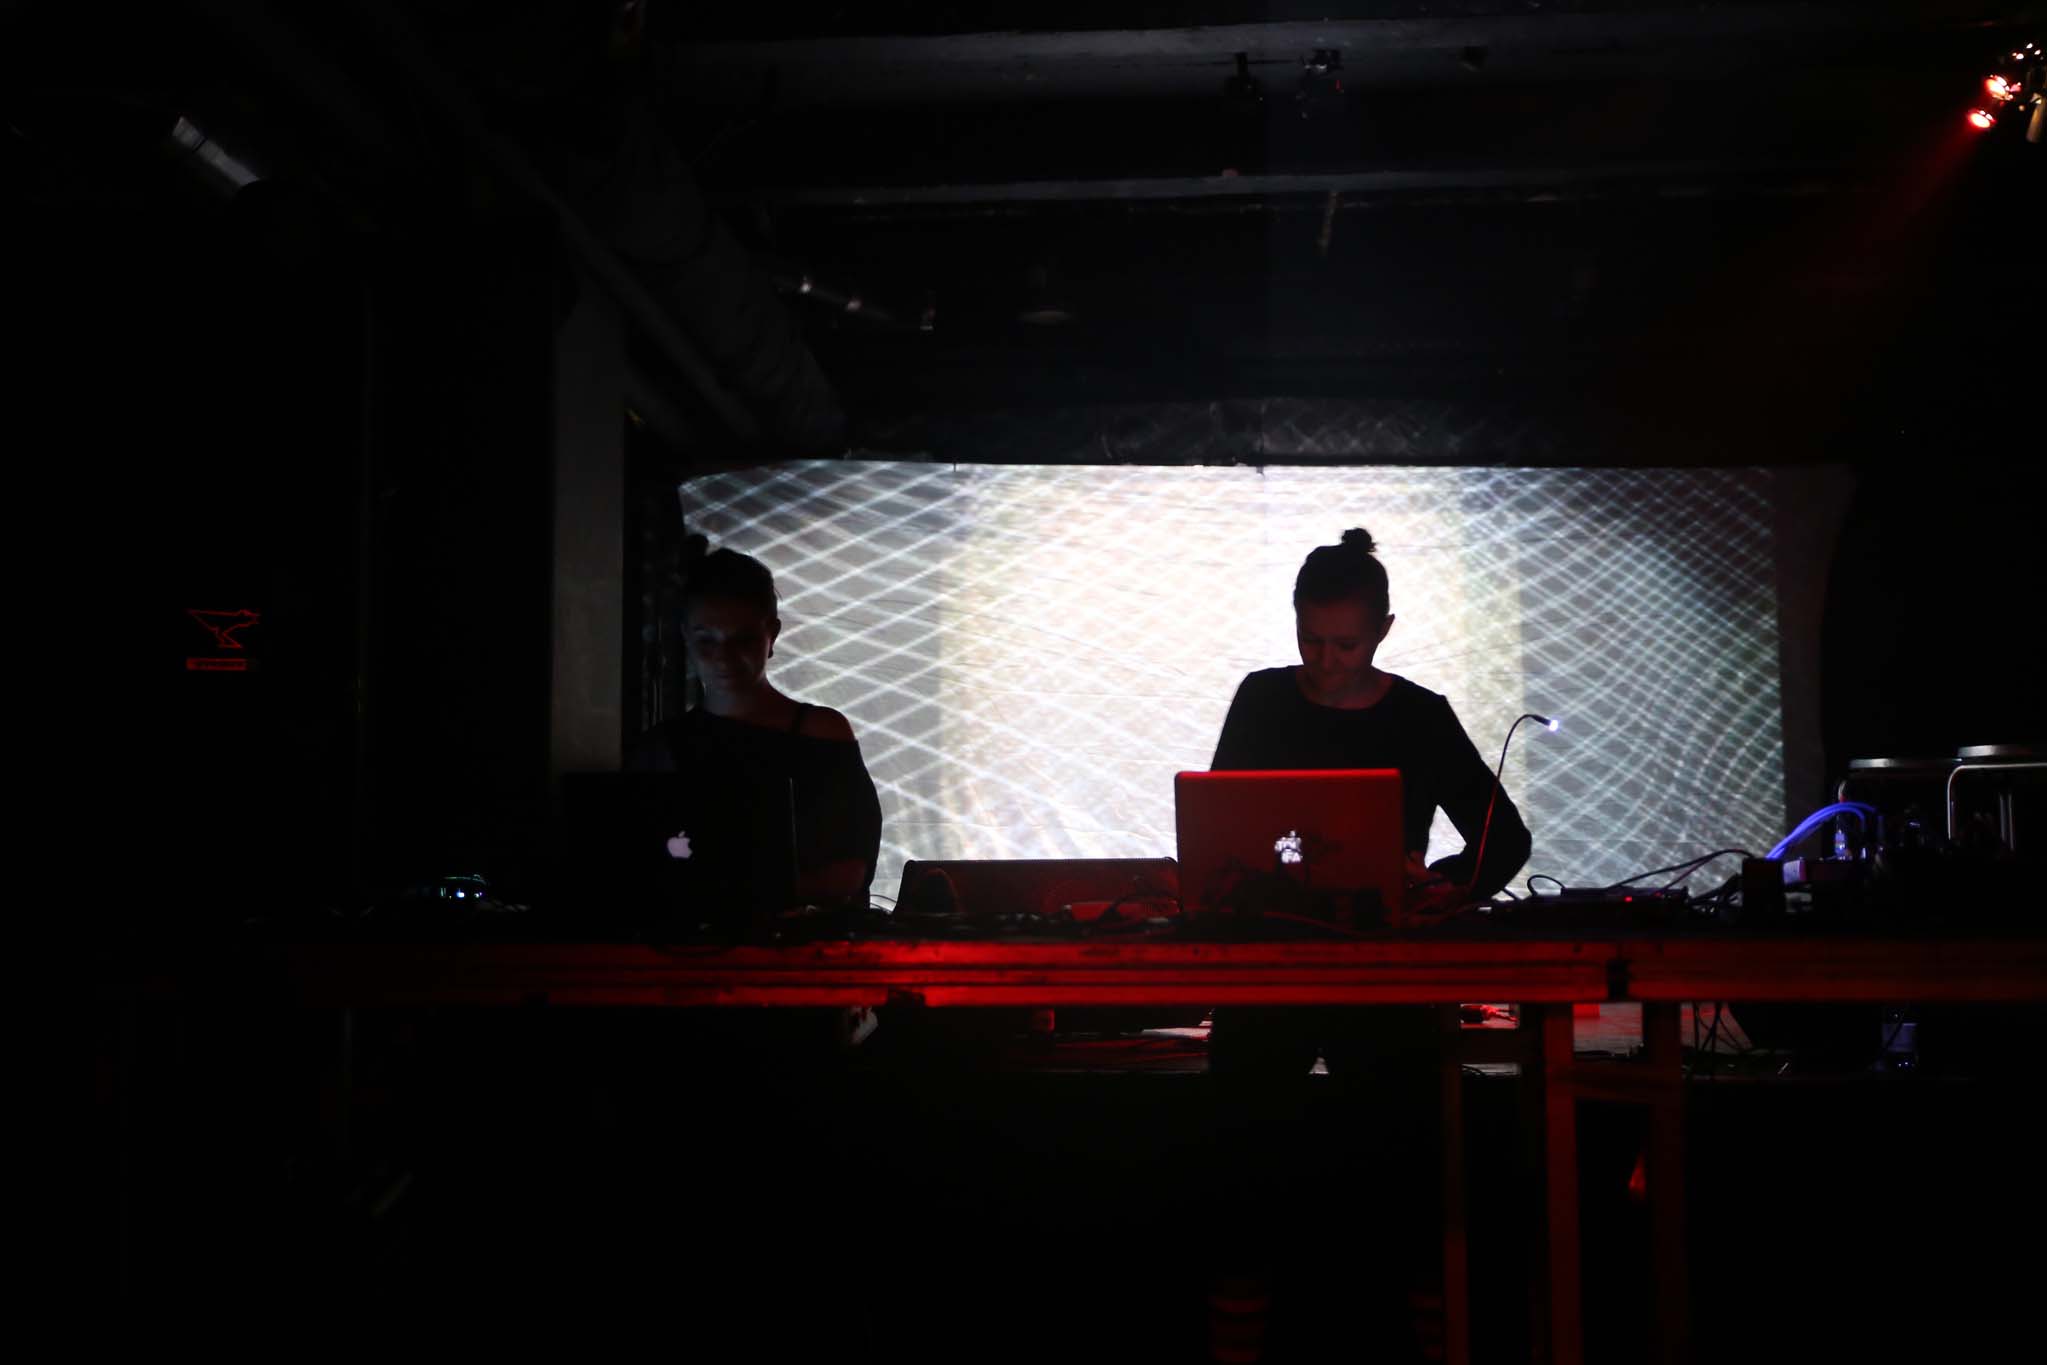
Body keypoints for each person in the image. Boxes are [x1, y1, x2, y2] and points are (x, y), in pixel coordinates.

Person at [1201, 527, 1532, 1363]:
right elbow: (1221, 825)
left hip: (1382, 969)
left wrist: (1444, 885)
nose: (1324, 659)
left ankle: (1428, 1334)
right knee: (1240, 1165)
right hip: (1269, 965)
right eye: (1310, 638)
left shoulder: (1420, 716)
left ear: (1383, 630)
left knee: (1405, 1167)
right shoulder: (1260, 698)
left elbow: (1505, 839)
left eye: (1344, 643)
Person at [624, 546, 883, 910]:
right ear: (687, 639)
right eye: (707, 641)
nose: (723, 657)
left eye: (742, 639)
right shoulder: (660, 747)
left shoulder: (821, 733)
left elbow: (852, 868)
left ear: (771, 635)